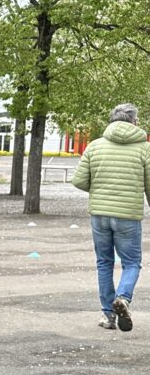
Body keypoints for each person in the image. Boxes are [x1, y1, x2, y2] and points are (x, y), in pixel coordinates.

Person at [71, 102, 150, 332]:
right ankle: (123, 298)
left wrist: (100, 191)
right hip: (128, 215)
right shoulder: (145, 149)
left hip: (100, 215)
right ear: (134, 122)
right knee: (132, 262)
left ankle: (108, 316)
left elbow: (78, 180)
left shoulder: (95, 146)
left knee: (104, 263)